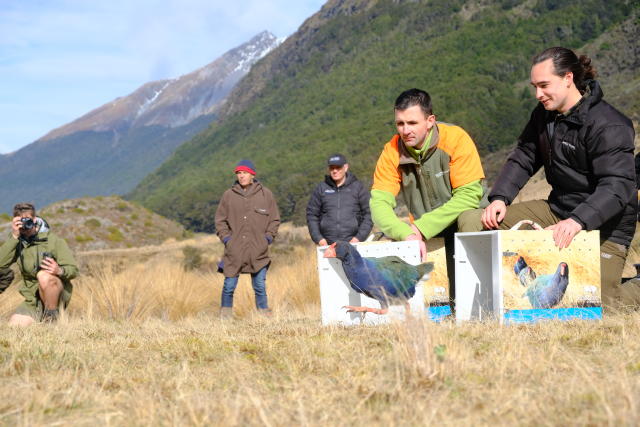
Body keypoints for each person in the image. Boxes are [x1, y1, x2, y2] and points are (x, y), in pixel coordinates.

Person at [479, 46, 638, 307]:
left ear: (568, 78)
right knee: (478, 222)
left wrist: (578, 221)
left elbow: (618, 185)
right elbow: (524, 156)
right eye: (534, 86)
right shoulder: (544, 115)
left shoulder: (609, 124)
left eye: (544, 85)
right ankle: (488, 300)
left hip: (607, 226)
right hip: (558, 210)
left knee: (593, 306)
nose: (537, 94)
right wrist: (499, 198)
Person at [370, 88, 486, 304]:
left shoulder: (455, 139)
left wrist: (421, 228)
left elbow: (469, 196)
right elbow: (379, 204)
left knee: (468, 219)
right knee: (380, 239)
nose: (405, 130)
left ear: (430, 121)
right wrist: (405, 233)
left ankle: (477, 302)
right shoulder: (391, 151)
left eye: (412, 123)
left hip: (464, 220)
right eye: (400, 123)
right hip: (423, 230)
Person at [215, 160, 280, 318]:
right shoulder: (228, 195)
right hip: (234, 250)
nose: (241, 176)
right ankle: (225, 319)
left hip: (259, 250)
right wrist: (227, 239)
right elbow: (220, 220)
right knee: (229, 286)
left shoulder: (266, 194)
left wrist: (268, 238)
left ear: (252, 174)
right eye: (238, 173)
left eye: (244, 173)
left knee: (259, 286)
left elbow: (275, 219)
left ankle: (264, 318)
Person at [0, 203, 78, 326]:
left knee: (43, 276)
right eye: (21, 221)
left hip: (56, 294)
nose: (25, 224)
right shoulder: (17, 242)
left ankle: (52, 319)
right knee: (14, 326)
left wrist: (59, 270)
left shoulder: (53, 241)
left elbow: (73, 270)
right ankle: (42, 317)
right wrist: (14, 236)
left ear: (35, 219)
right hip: (33, 299)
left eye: (28, 220)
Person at [306, 153, 373, 246]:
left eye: (338, 167)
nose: (335, 171)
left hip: (354, 244)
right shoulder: (321, 188)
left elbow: (369, 214)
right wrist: (319, 239)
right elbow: (311, 215)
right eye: (332, 168)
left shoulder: (358, 187)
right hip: (327, 245)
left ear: (346, 167)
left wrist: (358, 238)